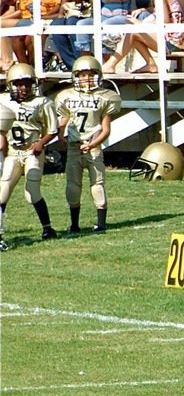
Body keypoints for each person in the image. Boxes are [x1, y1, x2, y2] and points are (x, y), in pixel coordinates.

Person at [55, 55, 120, 235]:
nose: (86, 79)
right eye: (82, 75)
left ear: (98, 75)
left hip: (94, 146)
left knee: (97, 184)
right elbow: (64, 119)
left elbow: (106, 130)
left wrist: (92, 145)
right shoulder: (67, 96)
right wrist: (60, 134)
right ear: (76, 76)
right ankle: (74, 224)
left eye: (90, 74)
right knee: (73, 186)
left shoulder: (105, 97)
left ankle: (101, 223)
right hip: (75, 147)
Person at [0, 64, 60, 251]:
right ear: (11, 85)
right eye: (19, 84)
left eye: (27, 84)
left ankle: (47, 228)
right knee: (2, 192)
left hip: (31, 151)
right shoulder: (2, 101)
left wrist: (41, 143)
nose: (23, 88)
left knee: (31, 193)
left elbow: (53, 130)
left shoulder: (42, 103)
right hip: (11, 152)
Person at [101, 0, 184, 74]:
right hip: (169, 37)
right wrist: (144, 9)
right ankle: (150, 64)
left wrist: (140, 24)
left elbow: (164, 22)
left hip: (174, 41)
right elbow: (159, 11)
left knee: (133, 30)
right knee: (133, 35)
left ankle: (111, 65)